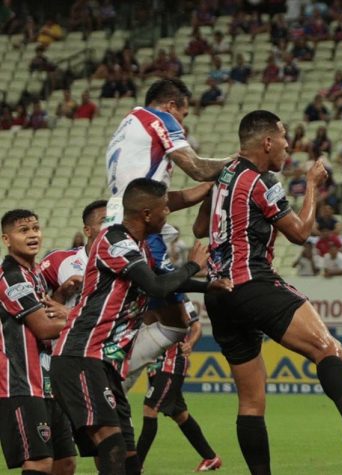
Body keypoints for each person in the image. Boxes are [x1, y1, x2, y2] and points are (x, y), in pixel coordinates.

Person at [197, 111, 342, 473]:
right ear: (266, 142)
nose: (287, 145)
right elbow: (300, 232)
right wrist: (312, 184)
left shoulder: (225, 174)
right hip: (251, 281)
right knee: (327, 347)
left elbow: (202, 226)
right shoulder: (261, 180)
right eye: (282, 138)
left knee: (251, 401)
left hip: (218, 293)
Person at [50, 179, 232, 475]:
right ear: (147, 213)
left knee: (128, 454)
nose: (166, 215)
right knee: (111, 445)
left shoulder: (139, 249)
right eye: (164, 210)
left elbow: (166, 279)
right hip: (80, 356)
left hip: (104, 363)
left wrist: (207, 285)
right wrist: (193, 265)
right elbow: (157, 286)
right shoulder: (114, 241)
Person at [104, 78, 233, 391]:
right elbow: (199, 167)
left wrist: (204, 191)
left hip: (123, 223)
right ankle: (108, 381)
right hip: (141, 231)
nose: (182, 124)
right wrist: (242, 161)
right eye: (184, 116)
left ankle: (109, 383)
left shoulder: (128, 126)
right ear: (171, 106)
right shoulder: (158, 119)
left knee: (138, 319)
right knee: (176, 324)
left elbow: (165, 199)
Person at [0, 209, 76, 475]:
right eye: (23, 230)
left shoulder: (36, 276)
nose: (33, 234)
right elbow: (44, 328)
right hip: (19, 384)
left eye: (35, 228)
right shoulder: (12, 277)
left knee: (65, 462)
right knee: (38, 462)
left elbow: (47, 313)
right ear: (6, 239)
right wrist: (82, 317)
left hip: (46, 384)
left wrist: (62, 295)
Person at [136, 322, 222, 471]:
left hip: (170, 365)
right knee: (180, 414)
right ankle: (210, 458)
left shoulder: (178, 301)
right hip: (156, 367)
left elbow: (197, 327)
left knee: (150, 408)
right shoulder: (146, 304)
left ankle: (135, 465)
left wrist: (190, 343)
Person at [40, 200, 107, 308]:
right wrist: (59, 294)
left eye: (116, 221)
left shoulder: (133, 261)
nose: (112, 227)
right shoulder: (57, 261)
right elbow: (35, 310)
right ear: (87, 230)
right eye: (105, 221)